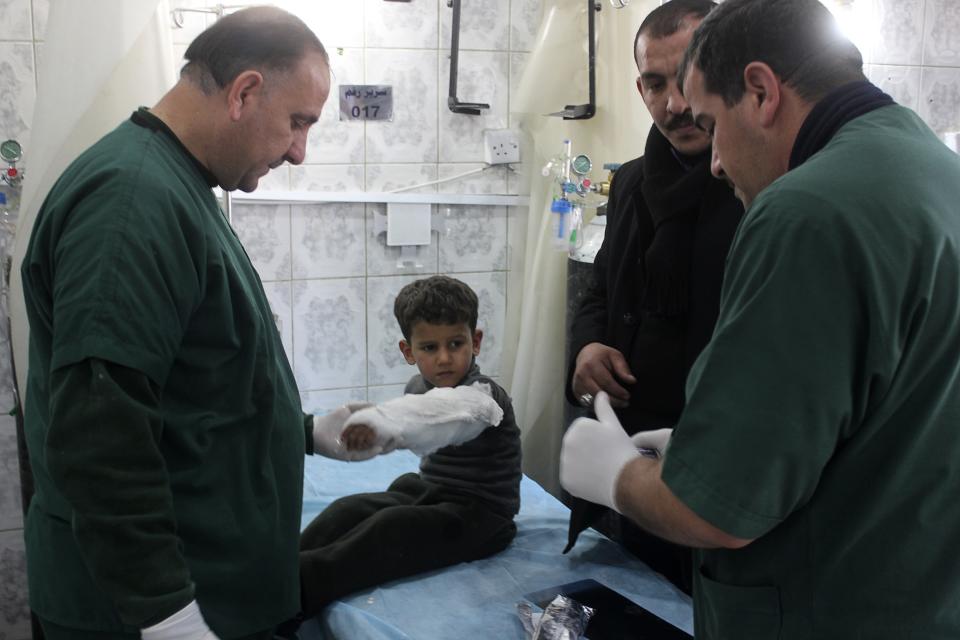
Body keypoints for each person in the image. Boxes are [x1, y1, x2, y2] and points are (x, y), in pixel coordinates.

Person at [560, 0, 960, 637]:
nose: (715, 159)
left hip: (819, 603)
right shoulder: (935, 171)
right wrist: (722, 441)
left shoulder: (803, 208)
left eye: (714, 122)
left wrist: (616, 476)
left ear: (761, 90)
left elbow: (716, 511)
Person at [18, 7, 374, 640]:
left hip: (215, 593)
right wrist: (168, 618)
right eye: (298, 123)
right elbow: (102, 437)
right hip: (142, 614)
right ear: (244, 92)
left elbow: (192, 387)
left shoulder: (177, 188)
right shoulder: (131, 204)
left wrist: (304, 432)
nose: (299, 151)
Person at [563, 0, 742, 593]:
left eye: (688, 76)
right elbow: (603, 281)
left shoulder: (752, 183)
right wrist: (588, 343)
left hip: (715, 466)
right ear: (639, 88)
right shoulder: (634, 180)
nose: (675, 104)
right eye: (656, 83)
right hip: (630, 456)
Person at [295, 275, 522, 619]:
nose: (444, 358)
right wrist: (368, 423)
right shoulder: (417, 386)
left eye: (456, 344)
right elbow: (417, 419)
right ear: (408, 351)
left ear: (475, 342)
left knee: (390, 527)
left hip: (483, 515)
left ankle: (294, 591)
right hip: (434, 491)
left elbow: (450, 415)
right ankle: (281, 563)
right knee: (348, 510)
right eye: (430, 348)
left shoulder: (483, 395)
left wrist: (384, 422)